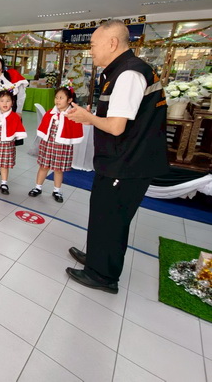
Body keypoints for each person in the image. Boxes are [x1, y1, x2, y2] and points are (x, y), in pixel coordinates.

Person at [65, 20, 167, 294]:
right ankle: (97, 258)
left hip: (127, 162)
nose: (91, 51)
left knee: (111, 218)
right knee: (102, 213)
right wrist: (91, 117)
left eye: (93, 45)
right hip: (120, 159)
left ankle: (103, 275)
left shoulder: (129, 74)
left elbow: (116, 126)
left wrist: (88, 118)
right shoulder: (122, 70)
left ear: (112, 43)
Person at [28, 86, 84, 203]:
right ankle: (38, 187)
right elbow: (44, 127)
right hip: (48, 144)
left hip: (63, 146)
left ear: (69, 100)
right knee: (43, 166)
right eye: (56, 97)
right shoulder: (51, 113)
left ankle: (57, 191)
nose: (57, 100)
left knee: (58, 170)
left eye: (61, 98)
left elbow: (76, 128)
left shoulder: (72, 114)